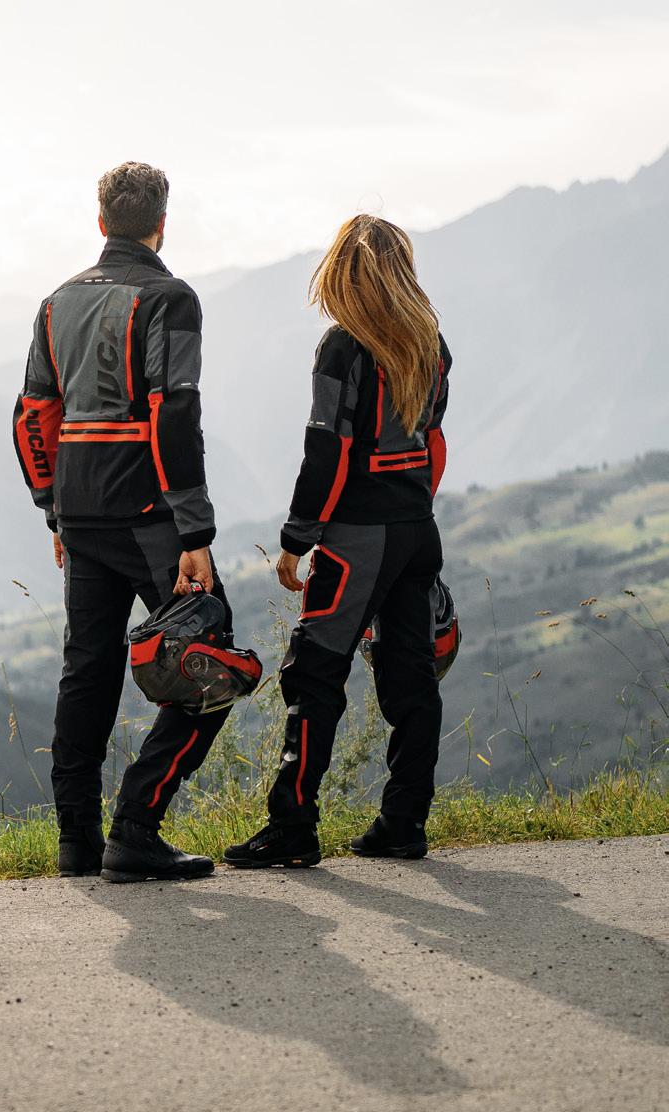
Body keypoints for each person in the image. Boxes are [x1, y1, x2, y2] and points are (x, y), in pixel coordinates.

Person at [12, 161, 235, 882]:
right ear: (162, 224)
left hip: (80, 512)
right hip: (150, 515)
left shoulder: (56, 303)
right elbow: (175, 412)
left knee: (88, 670)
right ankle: (136, 826)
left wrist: (53, 508)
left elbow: (32, 416)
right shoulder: (170, 298)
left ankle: (76, 842)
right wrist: (195, 531)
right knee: (213, 657)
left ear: (101, 220)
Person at [225, 214, 452, 868]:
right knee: (412, 675)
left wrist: (296, 539)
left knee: (313, 671)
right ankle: (403, 823)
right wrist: (414, 512)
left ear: (344, 275)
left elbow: (327, 450)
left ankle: (292, 828)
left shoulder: (343, 347)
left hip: (358, 540)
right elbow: (433, 443)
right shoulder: (432, 345)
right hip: (417, 530)